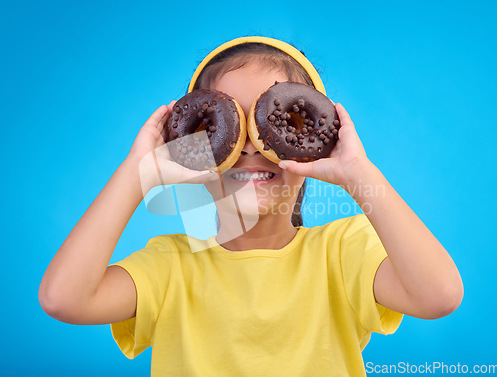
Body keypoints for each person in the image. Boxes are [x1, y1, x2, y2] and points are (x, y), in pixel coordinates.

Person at [39, 36, 463, 376]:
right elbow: (64, 299)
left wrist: (357, 170)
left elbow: (439, 296)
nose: (248, 149)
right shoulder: (171, 266)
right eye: (225, 126)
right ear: (188, 147)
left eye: (274, 125)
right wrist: (137, 174)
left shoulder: (342, 252)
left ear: (317, 144)